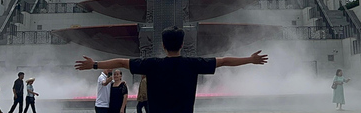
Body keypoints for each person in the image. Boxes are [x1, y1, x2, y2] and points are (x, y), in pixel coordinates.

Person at [75, 26, 268, 113]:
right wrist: (250, 60)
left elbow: (123, 62)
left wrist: (94, 64)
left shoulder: (152, 65)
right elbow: (224, 61)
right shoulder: (193, 64)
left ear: (163, 45)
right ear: (182, 44)